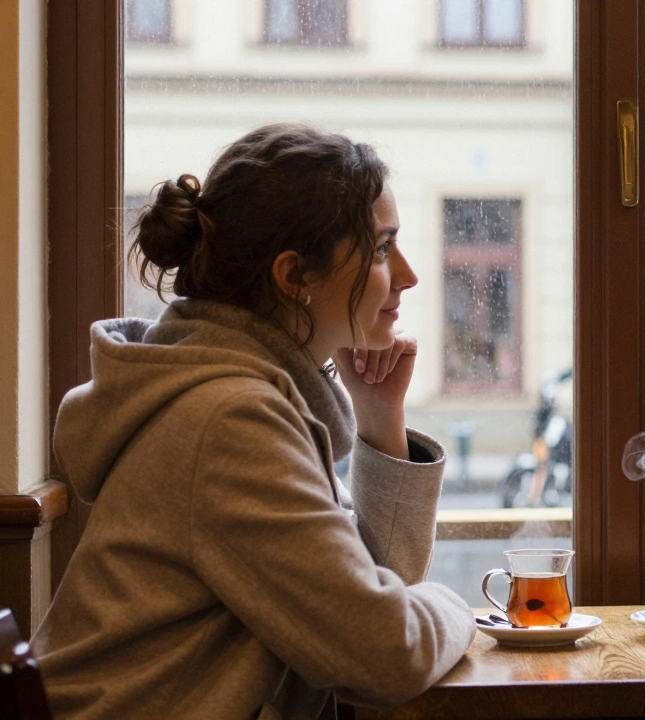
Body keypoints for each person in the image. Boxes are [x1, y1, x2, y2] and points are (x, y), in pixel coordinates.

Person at [33, 124, 476, 718]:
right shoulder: (230, 420)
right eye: (378, 249)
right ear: (294, 277)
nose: (408, 274)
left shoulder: (237, 392)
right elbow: (383, 650)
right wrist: (464, 611)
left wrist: (380, 421)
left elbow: (364, 590)